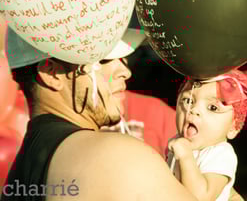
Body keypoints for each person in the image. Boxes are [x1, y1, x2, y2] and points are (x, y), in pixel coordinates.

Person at [1, 28, 198, 201]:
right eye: (104, 59)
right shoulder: (117, 156)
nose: (125, 72)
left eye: (123, 59)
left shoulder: (18, 175)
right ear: (51, 73)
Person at [168, 69, 247, 201]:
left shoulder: (221, 153)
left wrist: (185, 156)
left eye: (212, 107)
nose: (194, 110)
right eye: (188, 101)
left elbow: (202, 197)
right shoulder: (177, 142)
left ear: (233, 127)